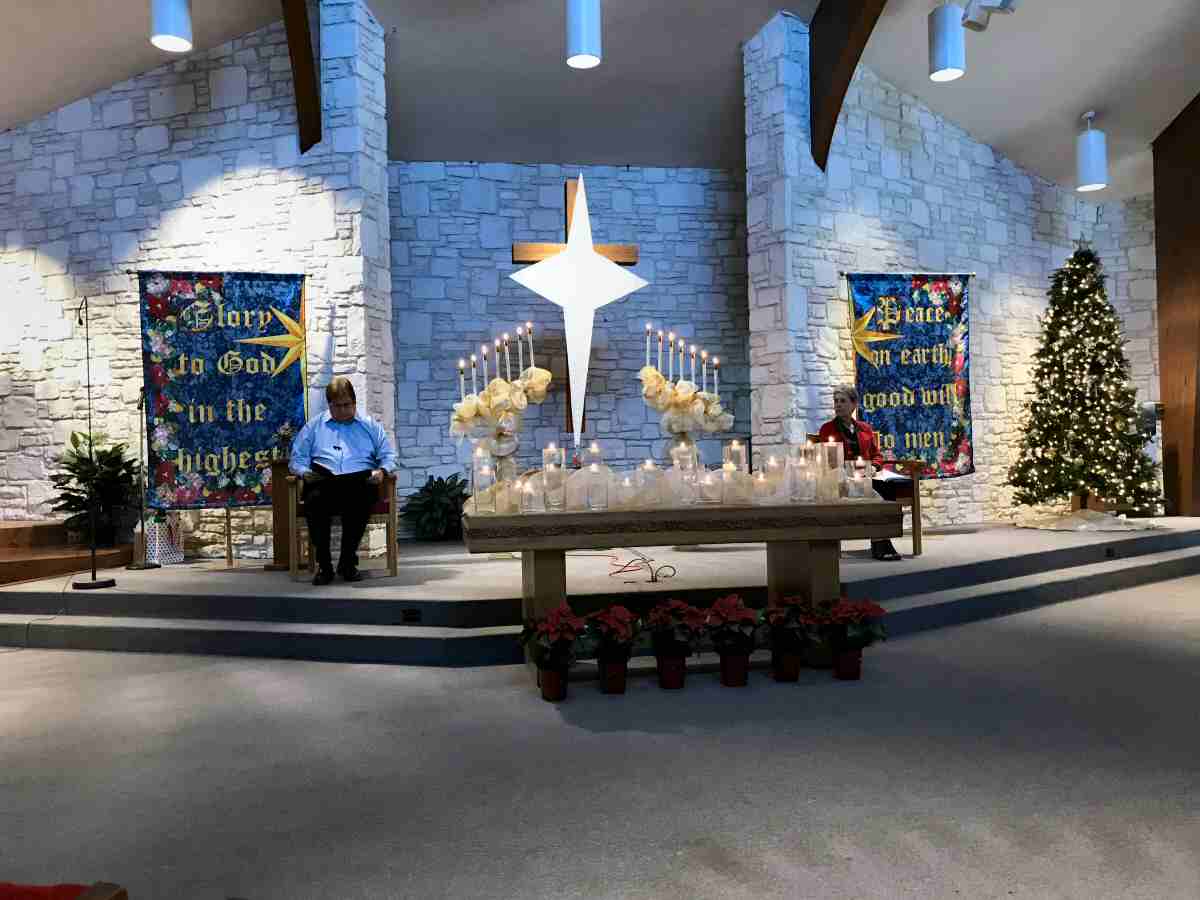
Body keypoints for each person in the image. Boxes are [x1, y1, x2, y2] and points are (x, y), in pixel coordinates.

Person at [290, 377, 397, 585]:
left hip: (359, 480)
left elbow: (388, 455)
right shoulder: (314, 426)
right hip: (324, 480)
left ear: (354, 402)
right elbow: (297, 459)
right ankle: (324, 566)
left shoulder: (369, 425)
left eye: (347, 405)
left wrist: (382, 471)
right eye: (337, 406)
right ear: (329, 405)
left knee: (360, 498)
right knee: (314, 500)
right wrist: (304, 473)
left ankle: (347, 562)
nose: (343, 410)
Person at [817, 384, 908, 562]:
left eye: (842, 401)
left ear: (854, 404)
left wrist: (874, 467)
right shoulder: (827, 429)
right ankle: (881, 543)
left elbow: (877, 455)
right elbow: (828, 460)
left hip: (866, 475)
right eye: (836, 401)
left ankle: (880, 541)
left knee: (886, 487)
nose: (838, 405)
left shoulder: (865, 428)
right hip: (843, 477)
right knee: (874, 489)